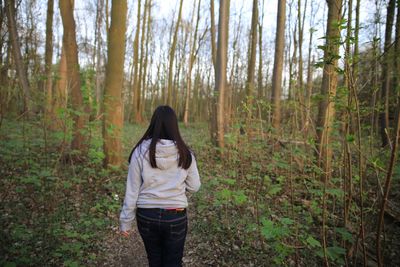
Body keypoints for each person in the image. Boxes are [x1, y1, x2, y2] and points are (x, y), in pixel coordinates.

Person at [119, 105, 201, 267]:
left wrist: (125, 222)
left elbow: (132, 190)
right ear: (174, 125)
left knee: (154, 261)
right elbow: (195, 186)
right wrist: (175, 187)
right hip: (176, 215)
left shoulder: (140, 151)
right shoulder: (185, 153)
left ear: (153, 123)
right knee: (173, 262)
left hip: (146, 215)